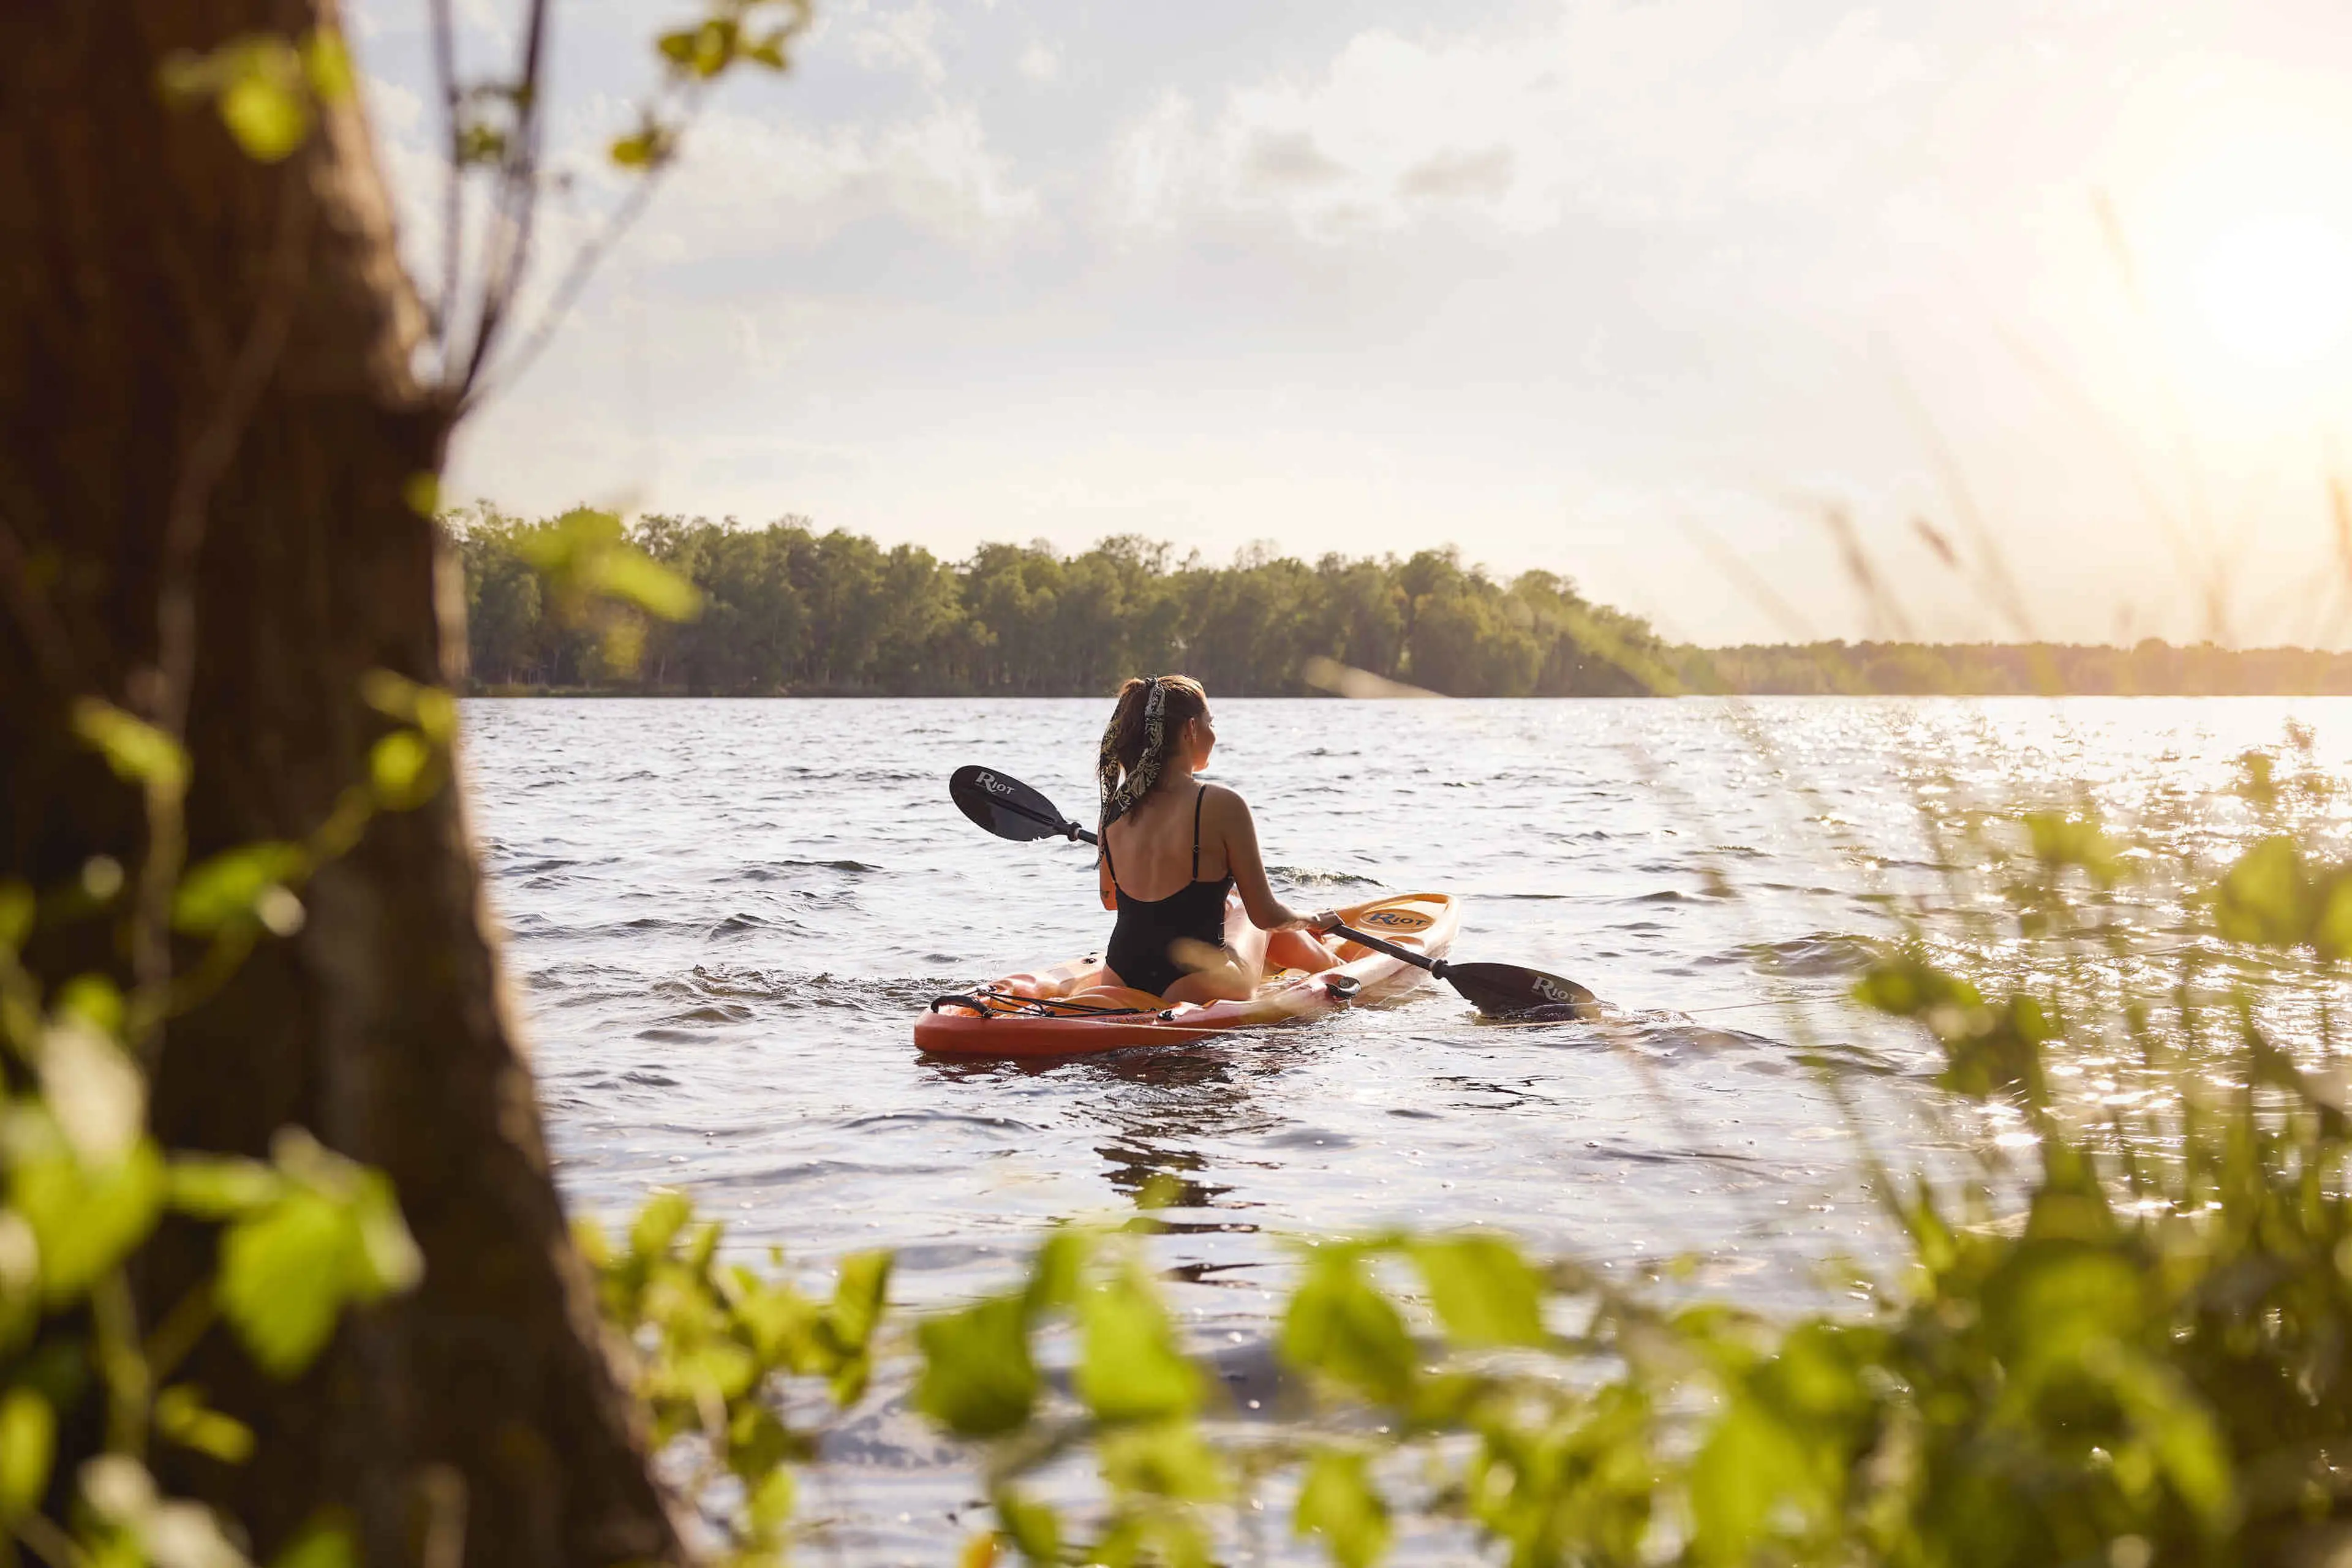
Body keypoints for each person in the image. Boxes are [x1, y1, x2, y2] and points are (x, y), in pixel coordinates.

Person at [1094, 674, 1341, 1003]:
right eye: (1211, 722)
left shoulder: (1115, 806)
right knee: (1247, 913)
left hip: (1121, 977)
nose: (1214, 733)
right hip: (1195, 982)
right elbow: (1267, 915)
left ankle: (1319, 962)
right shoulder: (1222, 804)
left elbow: (1111, 900)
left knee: (1230, 906)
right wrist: (1312, 920)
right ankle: (1341, 969)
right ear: (1190, 729)